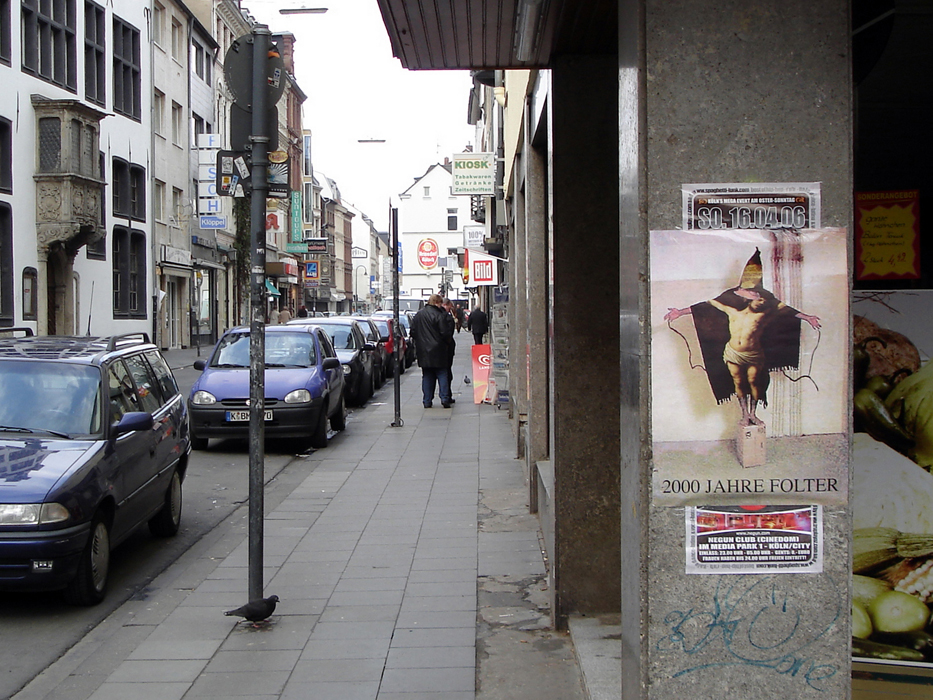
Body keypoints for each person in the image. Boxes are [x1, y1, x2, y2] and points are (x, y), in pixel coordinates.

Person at [664, 248, 820, 427]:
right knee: (739, 383)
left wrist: (807, 317)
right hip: (733, 351)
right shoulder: (730, 298)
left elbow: (785, 310)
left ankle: (753, 413)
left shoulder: (765, 298)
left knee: (757, 383)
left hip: (755, 351)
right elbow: (705, 307)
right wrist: (680, 312)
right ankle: (745, 414)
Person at [410, 294, 455, 408]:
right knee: (442, 374)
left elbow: (413, 332)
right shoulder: (440, 315)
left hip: (424, 351)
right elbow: (445, 333)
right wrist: (446, 343)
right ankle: (444, 398)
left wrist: (420, 342)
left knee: (427, 375)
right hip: (439, 350)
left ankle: (427, 400)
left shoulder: (419, 315)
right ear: (437, 303)